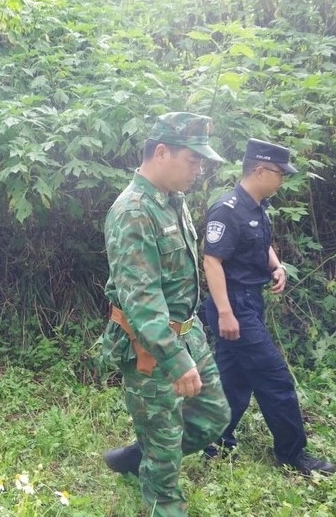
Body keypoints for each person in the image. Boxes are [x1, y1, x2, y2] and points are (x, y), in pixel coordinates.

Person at [100, 112, 231, 517]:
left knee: (214, 416)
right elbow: (142, 300)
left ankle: (142, 456)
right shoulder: (133, 211)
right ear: (161, 152)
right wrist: (175, 359)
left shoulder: (173, 200)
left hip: (186, 334)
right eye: (192, 160)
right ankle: (158, 479)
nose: (198, 170)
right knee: (164, 448)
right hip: (150, 345)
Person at [201, 139, 336, 475]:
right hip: (234, 305)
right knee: (275, 378)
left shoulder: (257, 207)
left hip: (249, 302)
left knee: (232, 378)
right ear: (259, 170)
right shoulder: (227, 209)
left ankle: (215, 440)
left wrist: (277, 266)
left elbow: (260, 243)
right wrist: (226, 313)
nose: (282, 180)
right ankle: (293, 455)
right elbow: (212, 262)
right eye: (279, 174)